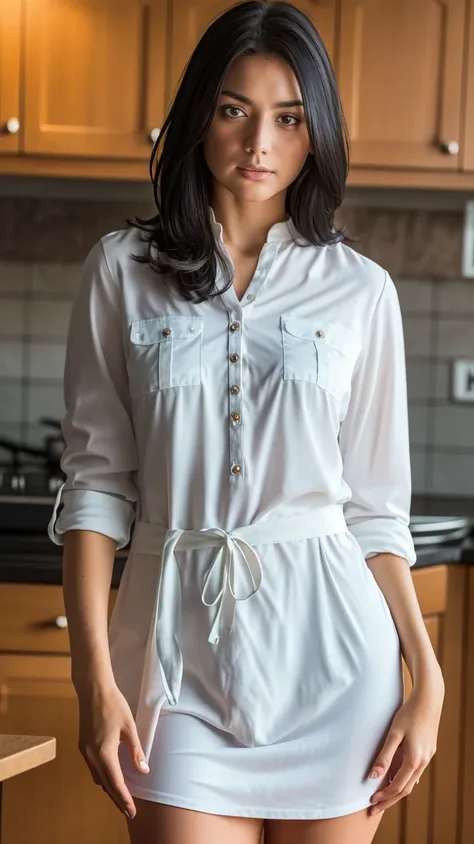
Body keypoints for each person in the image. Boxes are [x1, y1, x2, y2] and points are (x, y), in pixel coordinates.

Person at [47, 2, 445, 842]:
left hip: (338, 668)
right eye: (234, 110)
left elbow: (377, 510)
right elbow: (94, 487)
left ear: (318, 131)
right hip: (172, 665)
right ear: (198, 117)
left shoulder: (362, 291)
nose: (259, 143)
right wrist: (92, 677)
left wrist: (428, 680)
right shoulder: (121, 271)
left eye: (289, 118)